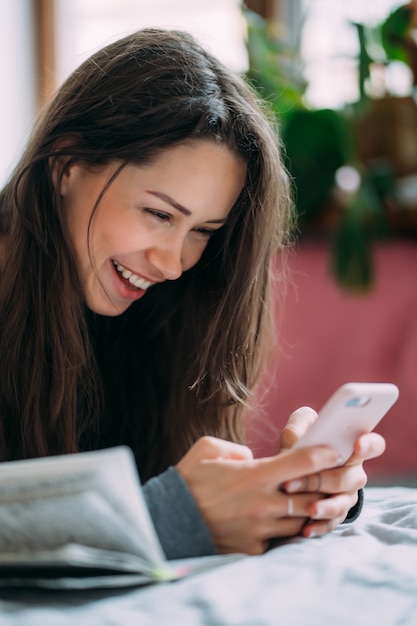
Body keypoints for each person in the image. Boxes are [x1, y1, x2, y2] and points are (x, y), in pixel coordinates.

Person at [0, 28, 385, 559]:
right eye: (158, 214)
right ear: (67, 165)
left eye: (203, 231)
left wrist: (295, 492)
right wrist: (164, 517)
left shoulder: (152, 311)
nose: (174, 263)